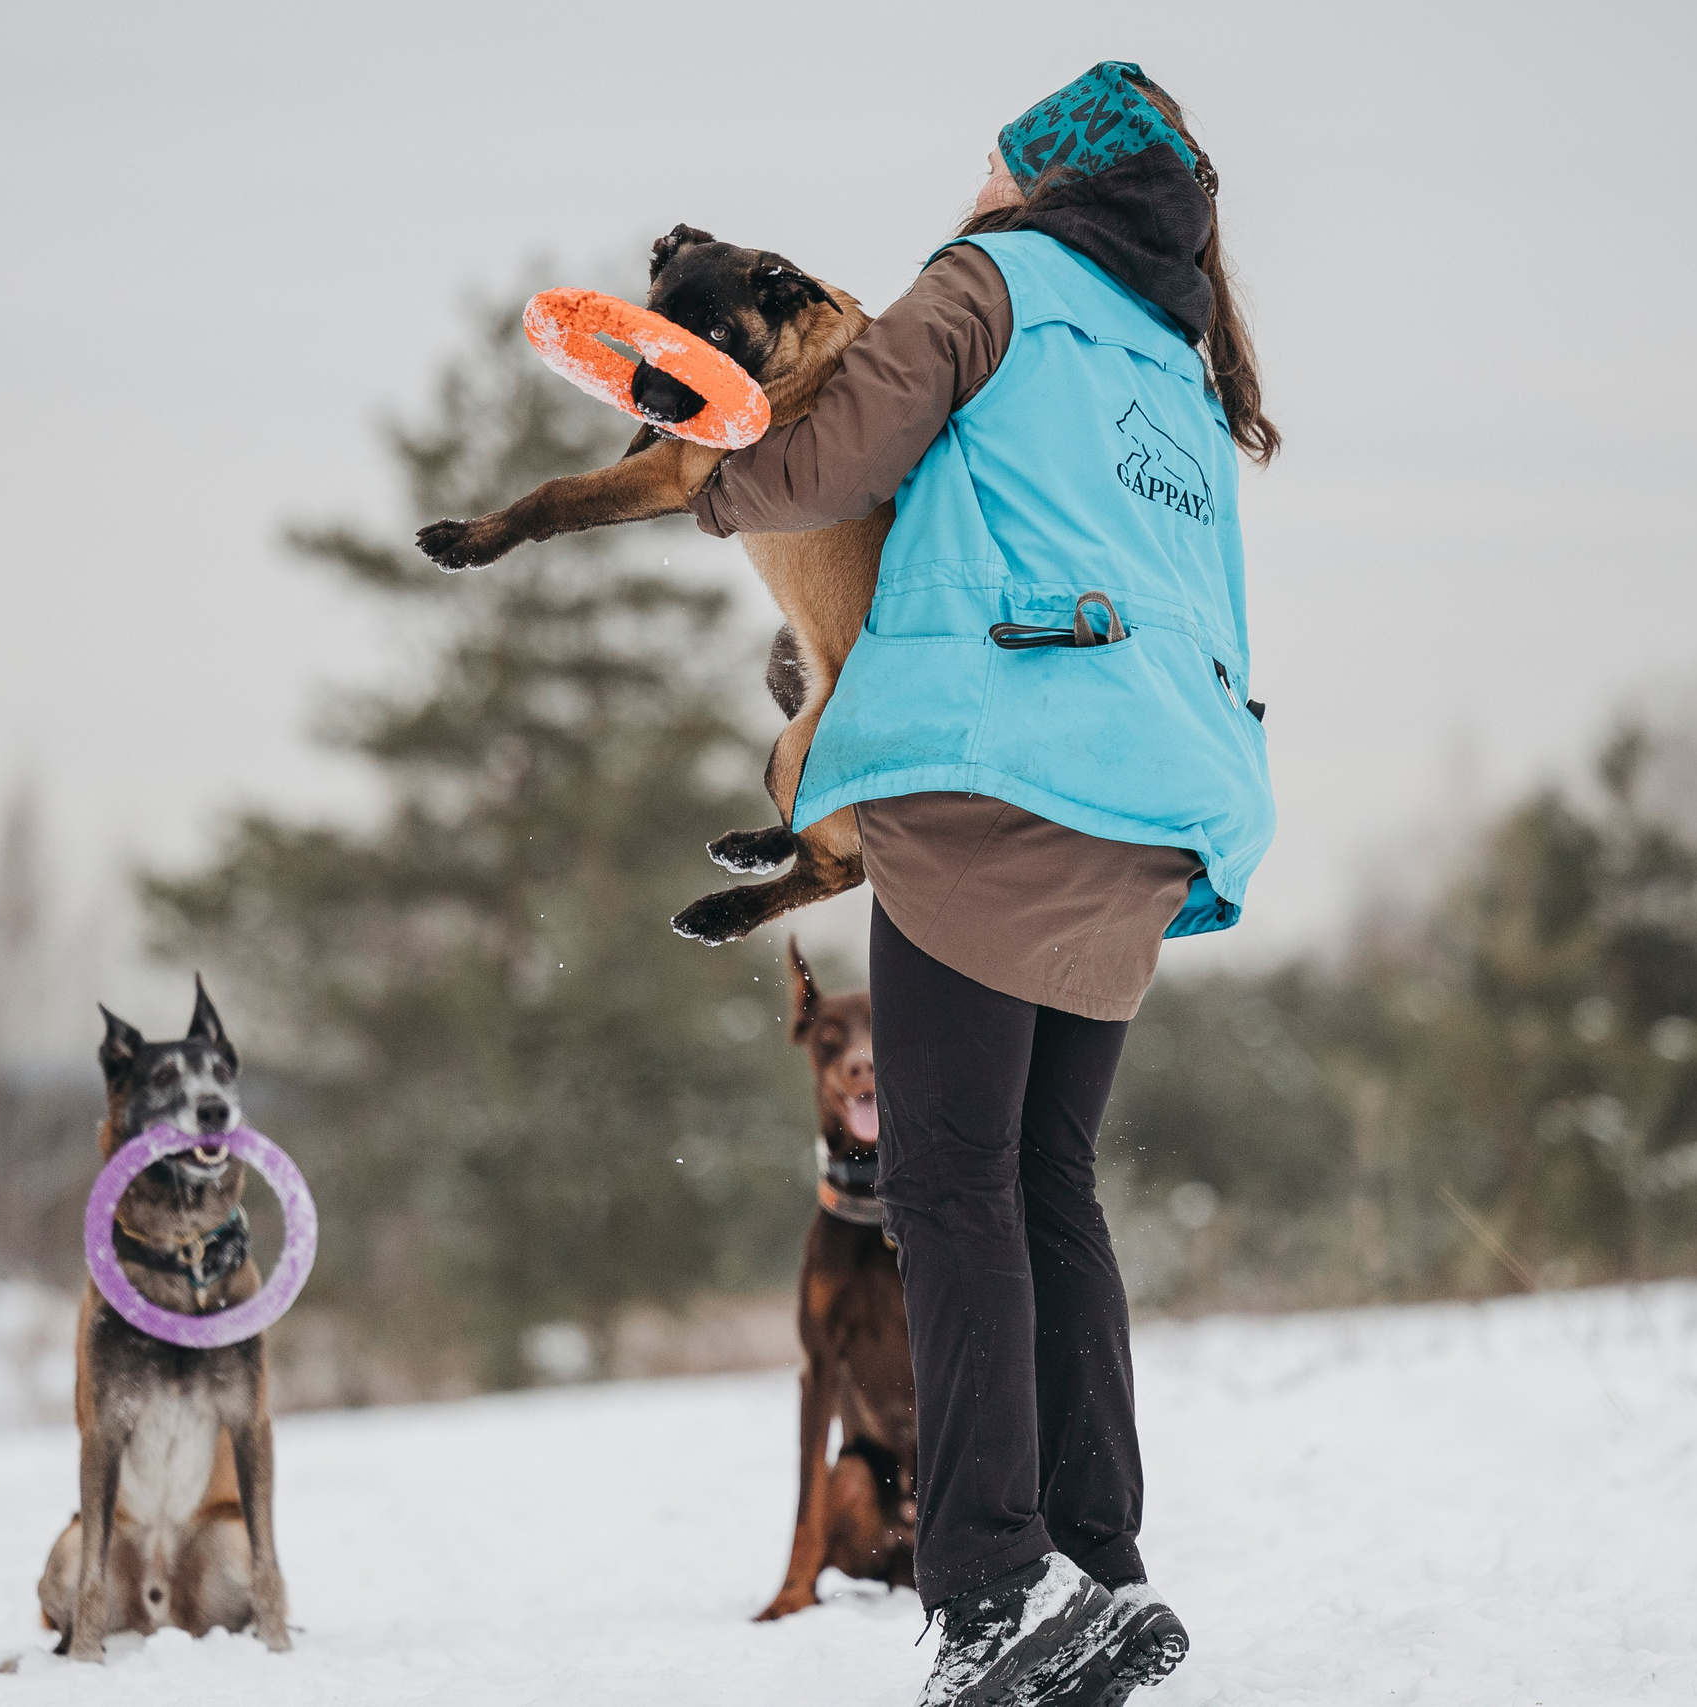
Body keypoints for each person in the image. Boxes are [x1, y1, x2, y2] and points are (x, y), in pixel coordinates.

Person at [687, 61, 1279, 1707]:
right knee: (1045, 1183)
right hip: (1148, 808)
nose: (980, 185)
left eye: (999, 162)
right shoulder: (1177, 359)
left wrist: (705, 485)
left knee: (948, 1191)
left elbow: (832, 465)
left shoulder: (992, 283)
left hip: (990, 778)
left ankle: (991, 1604)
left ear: (1042, 177)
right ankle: (1098, 1564)